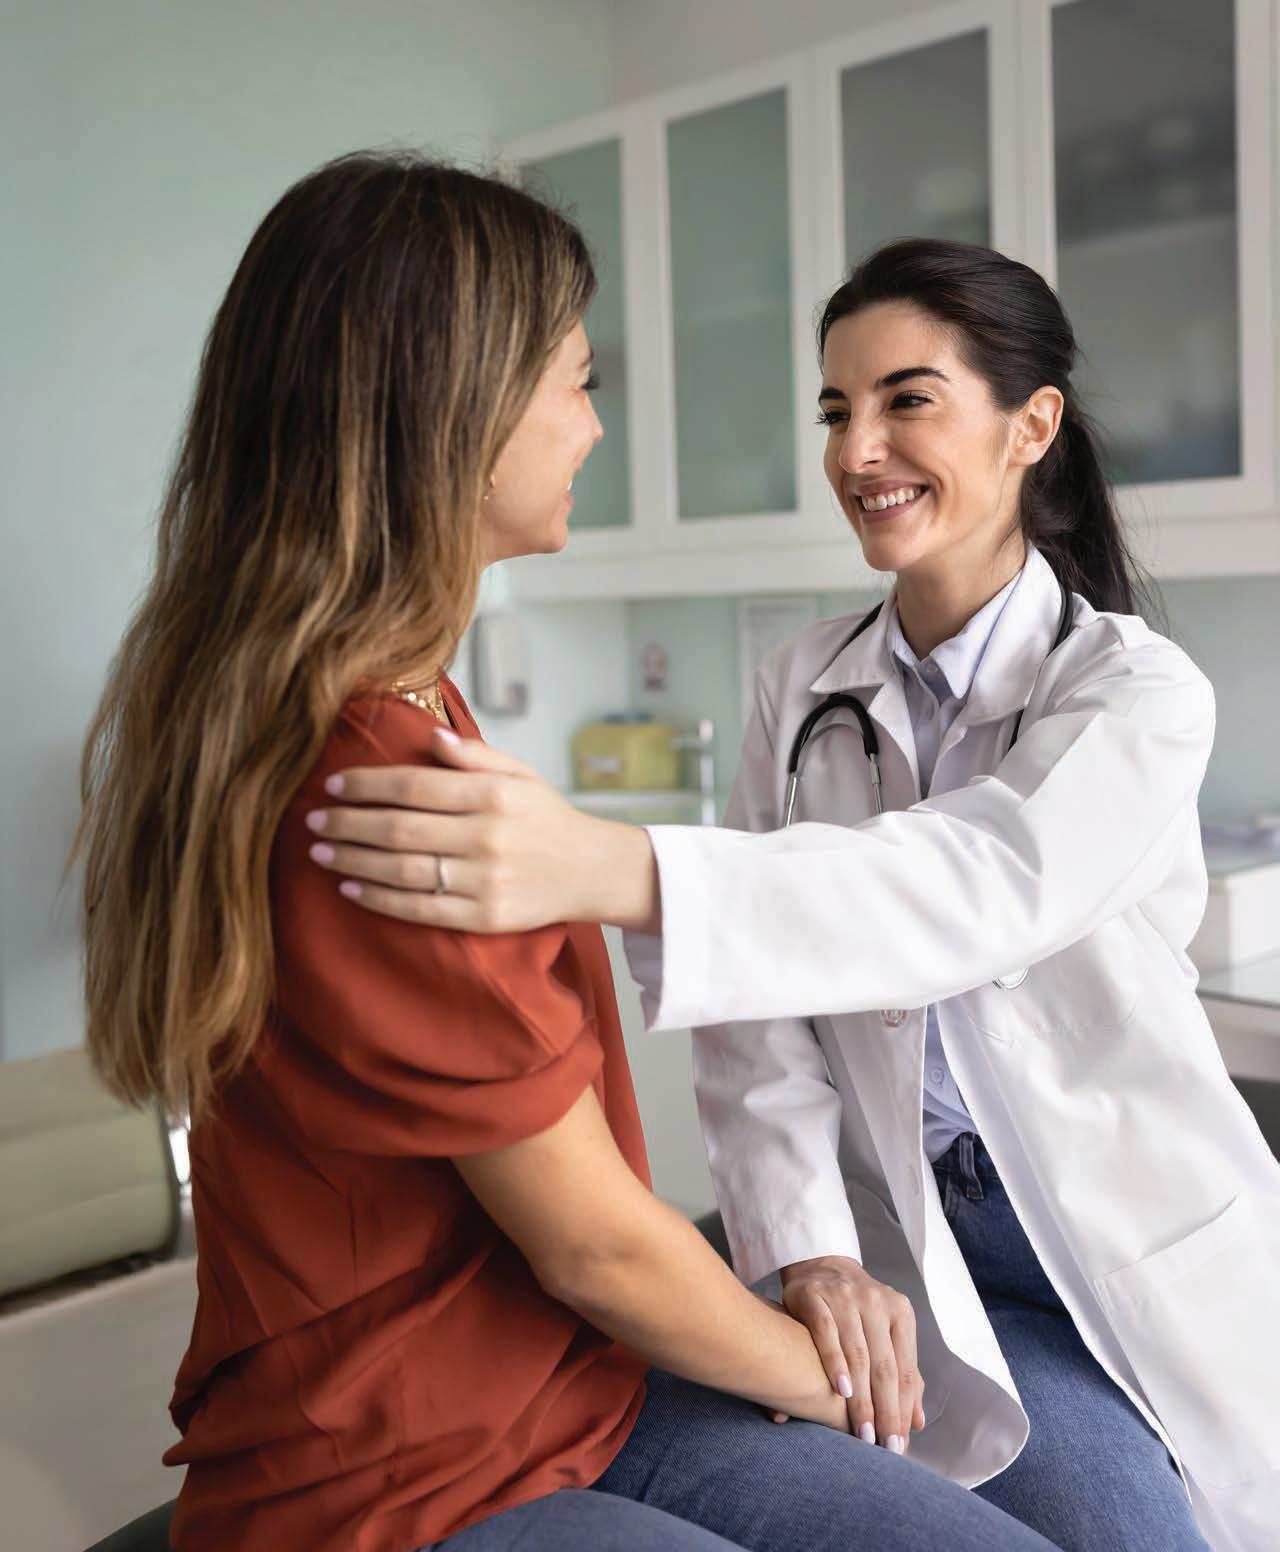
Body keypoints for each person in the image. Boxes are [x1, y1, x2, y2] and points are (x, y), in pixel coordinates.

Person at [75, 164, 1060, 1552]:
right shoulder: (375, 780)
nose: (596, 425)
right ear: (453, 413)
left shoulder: (407, 706)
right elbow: (597, 1244)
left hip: (564, 1394)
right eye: (578, 383)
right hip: (411, 1475)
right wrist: (833, 1382)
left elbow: (974, 889)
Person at [307, 238, 1280, 1552]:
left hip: (1118, 1253)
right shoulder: (802, 682)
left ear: (1032, 427)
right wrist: (811, 1250)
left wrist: (613, 865)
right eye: (836, 409)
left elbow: (977, 886)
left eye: (907, 399)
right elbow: (758, 1028)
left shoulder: (1135, 692)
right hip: (920, 1259)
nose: (857, 450)